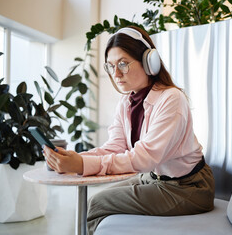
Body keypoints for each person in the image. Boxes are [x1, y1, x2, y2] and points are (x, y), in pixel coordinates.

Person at [43, 26, 215, 235]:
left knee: (96, 204)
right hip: (155, 179)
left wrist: (81, 164)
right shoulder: (126, 102)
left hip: (188, 188)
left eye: (123, 64)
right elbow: (115, 147)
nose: (115, 74)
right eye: (110, 66)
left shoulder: (171, 99)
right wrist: (75, 159)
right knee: (93, 201)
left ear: (149, 62)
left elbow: (145, 158)